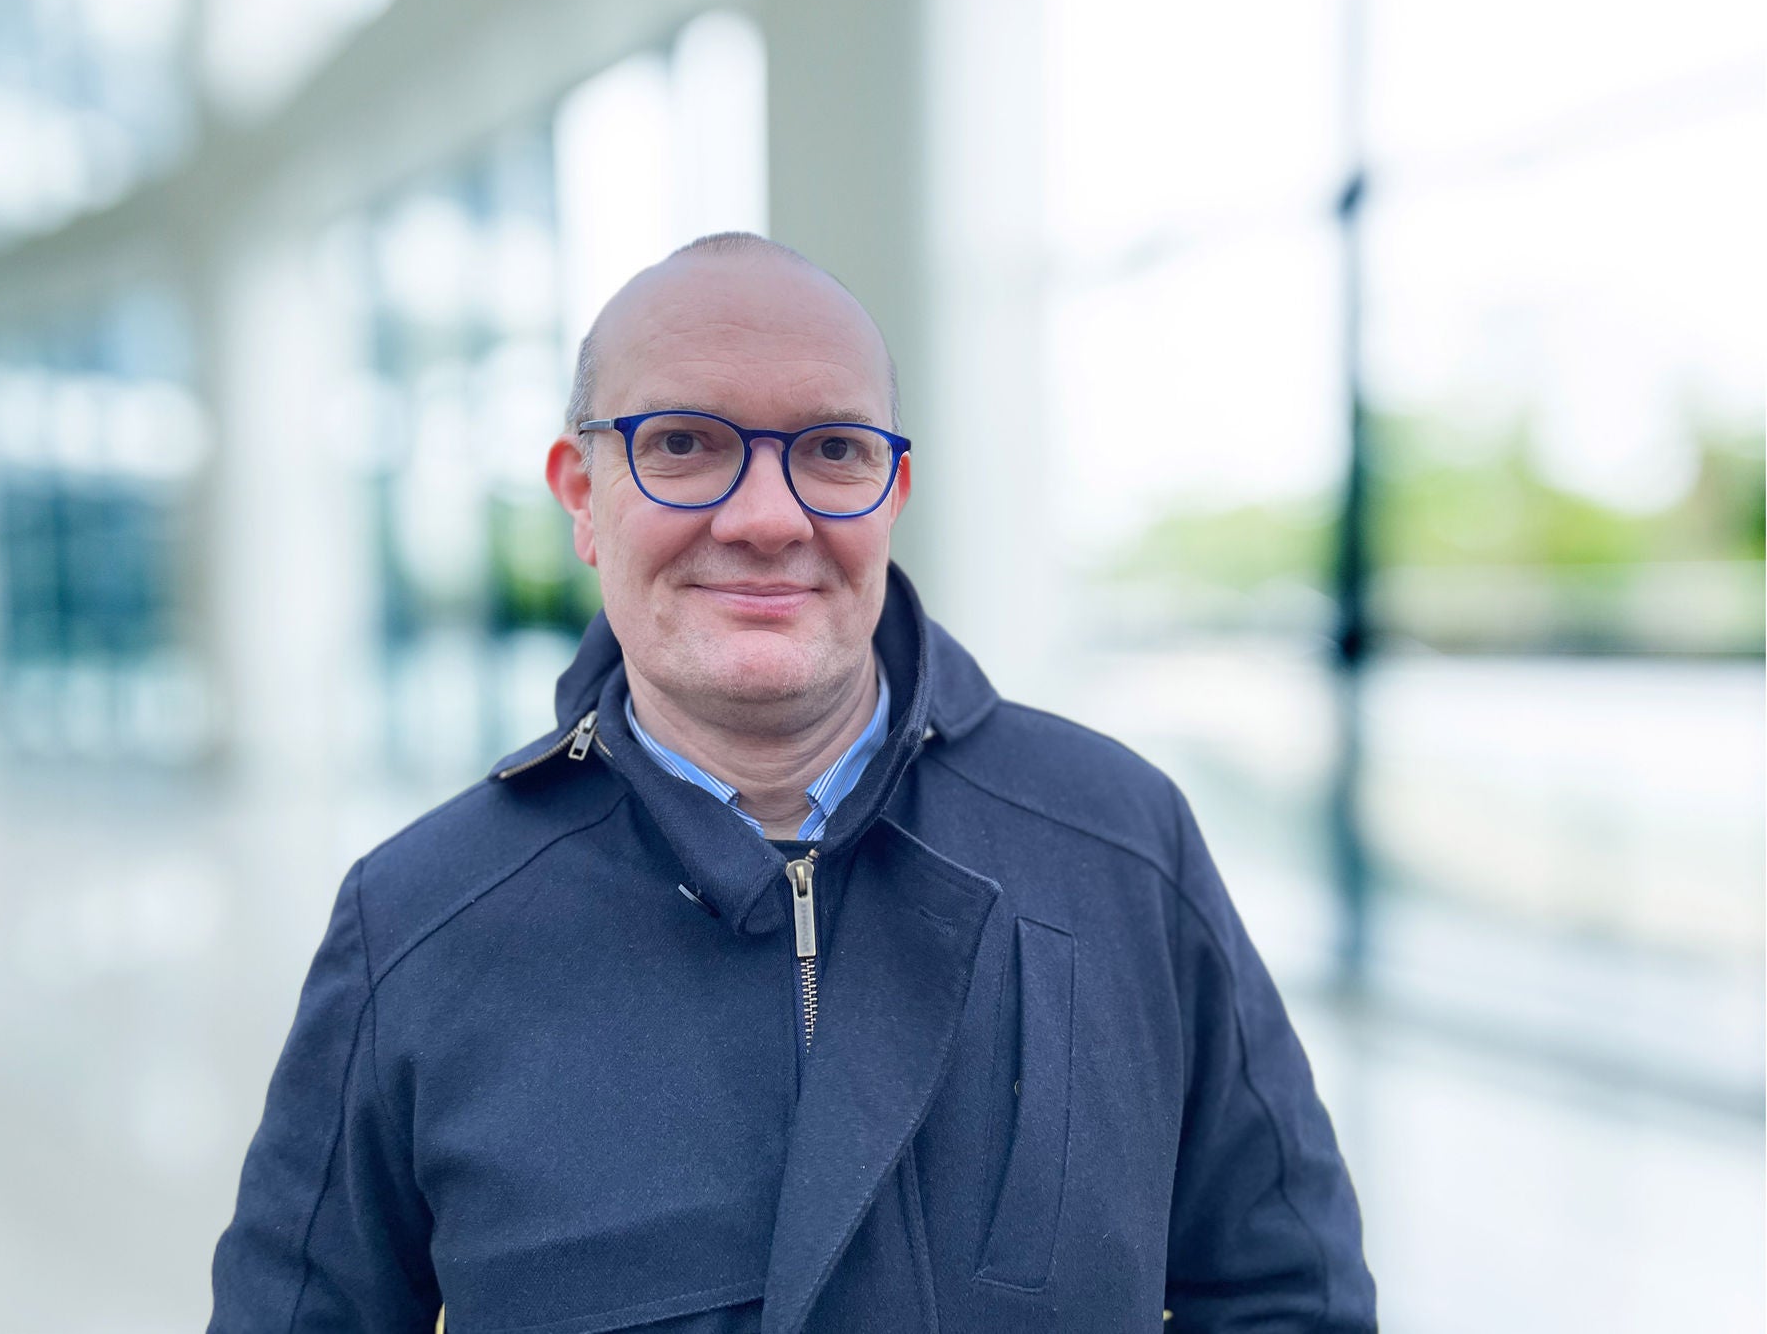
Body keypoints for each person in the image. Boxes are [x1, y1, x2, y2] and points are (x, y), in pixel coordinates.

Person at [208, 233, 1376, 1332]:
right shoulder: (417, 920)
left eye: (831, 450)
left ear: (890, 495)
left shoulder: (1116, 838)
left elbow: (1285, 1295)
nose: (767, 518)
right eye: (681, 444)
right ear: (580, 495)